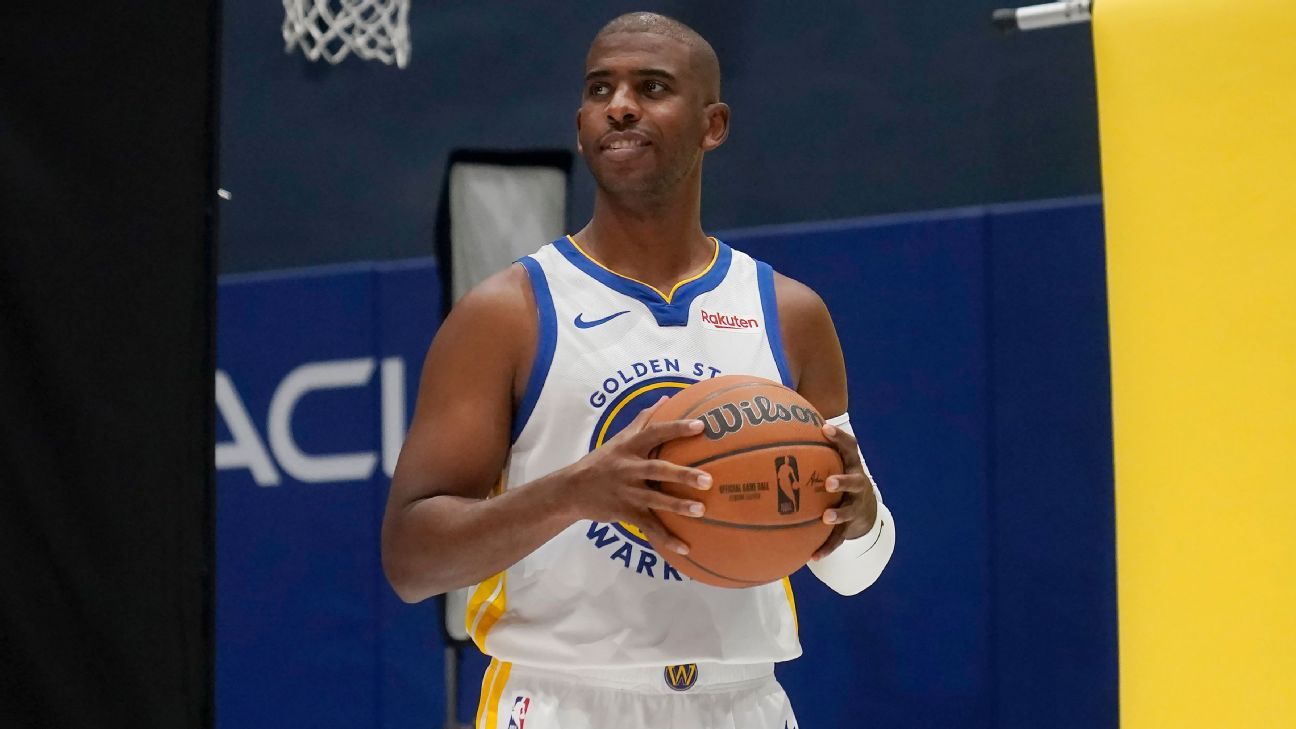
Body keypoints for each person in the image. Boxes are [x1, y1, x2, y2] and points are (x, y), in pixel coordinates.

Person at [382, 12, 895, 729]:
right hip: (562, 700)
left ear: (712, 124)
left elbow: (851, 568)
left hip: (742, 700)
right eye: (601, 89)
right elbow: (411, 561)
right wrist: (576, 493)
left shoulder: (789, 313)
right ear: (582, 120)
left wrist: (861, 518)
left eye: (651, 87)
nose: (620, 104)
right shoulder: (508, 313)